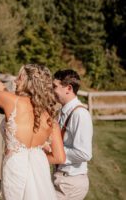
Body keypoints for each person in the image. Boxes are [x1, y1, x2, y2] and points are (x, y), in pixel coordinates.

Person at [0, 64, 66, 200]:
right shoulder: (50, 116)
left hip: (15, 166)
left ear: (27, 82)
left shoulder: (11, 100)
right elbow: (59, 158)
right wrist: (34, 157)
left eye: (19, 78)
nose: (15, 81)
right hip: (40, 167)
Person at [52, 69, 93, 200]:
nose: (52, 91)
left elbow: (84, 153)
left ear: (68, 88)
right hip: (62, 179)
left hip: (70, 183)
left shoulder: (80, 114)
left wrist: (55, 149)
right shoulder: (62, 111)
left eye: (54, 87)